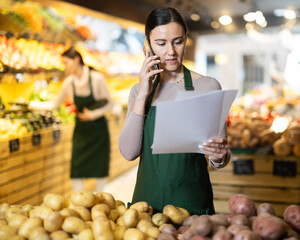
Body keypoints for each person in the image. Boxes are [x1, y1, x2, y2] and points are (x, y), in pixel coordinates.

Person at [118, 7, 231, 215]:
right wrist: (143, 93)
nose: (170, 51)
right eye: (161, 43)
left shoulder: (208, 87)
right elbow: (128, 152)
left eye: (177, 41)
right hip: (146, 206)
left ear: (186, 40)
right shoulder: (138, 91)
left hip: (192, 204)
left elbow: (220, 159)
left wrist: (219, 155)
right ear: (147, 45)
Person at [29, 47, 113, 192]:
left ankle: (101, 199)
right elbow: (55, 104)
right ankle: (78, 199)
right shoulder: (69, 83)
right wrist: (32, 104)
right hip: (81, 131)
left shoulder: (96, 78)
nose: (64, 67)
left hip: (98, 130)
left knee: (100, 166)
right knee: (77, 167)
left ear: (76, 60)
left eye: (66, 63)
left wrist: (92, 115)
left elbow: (110, 103)